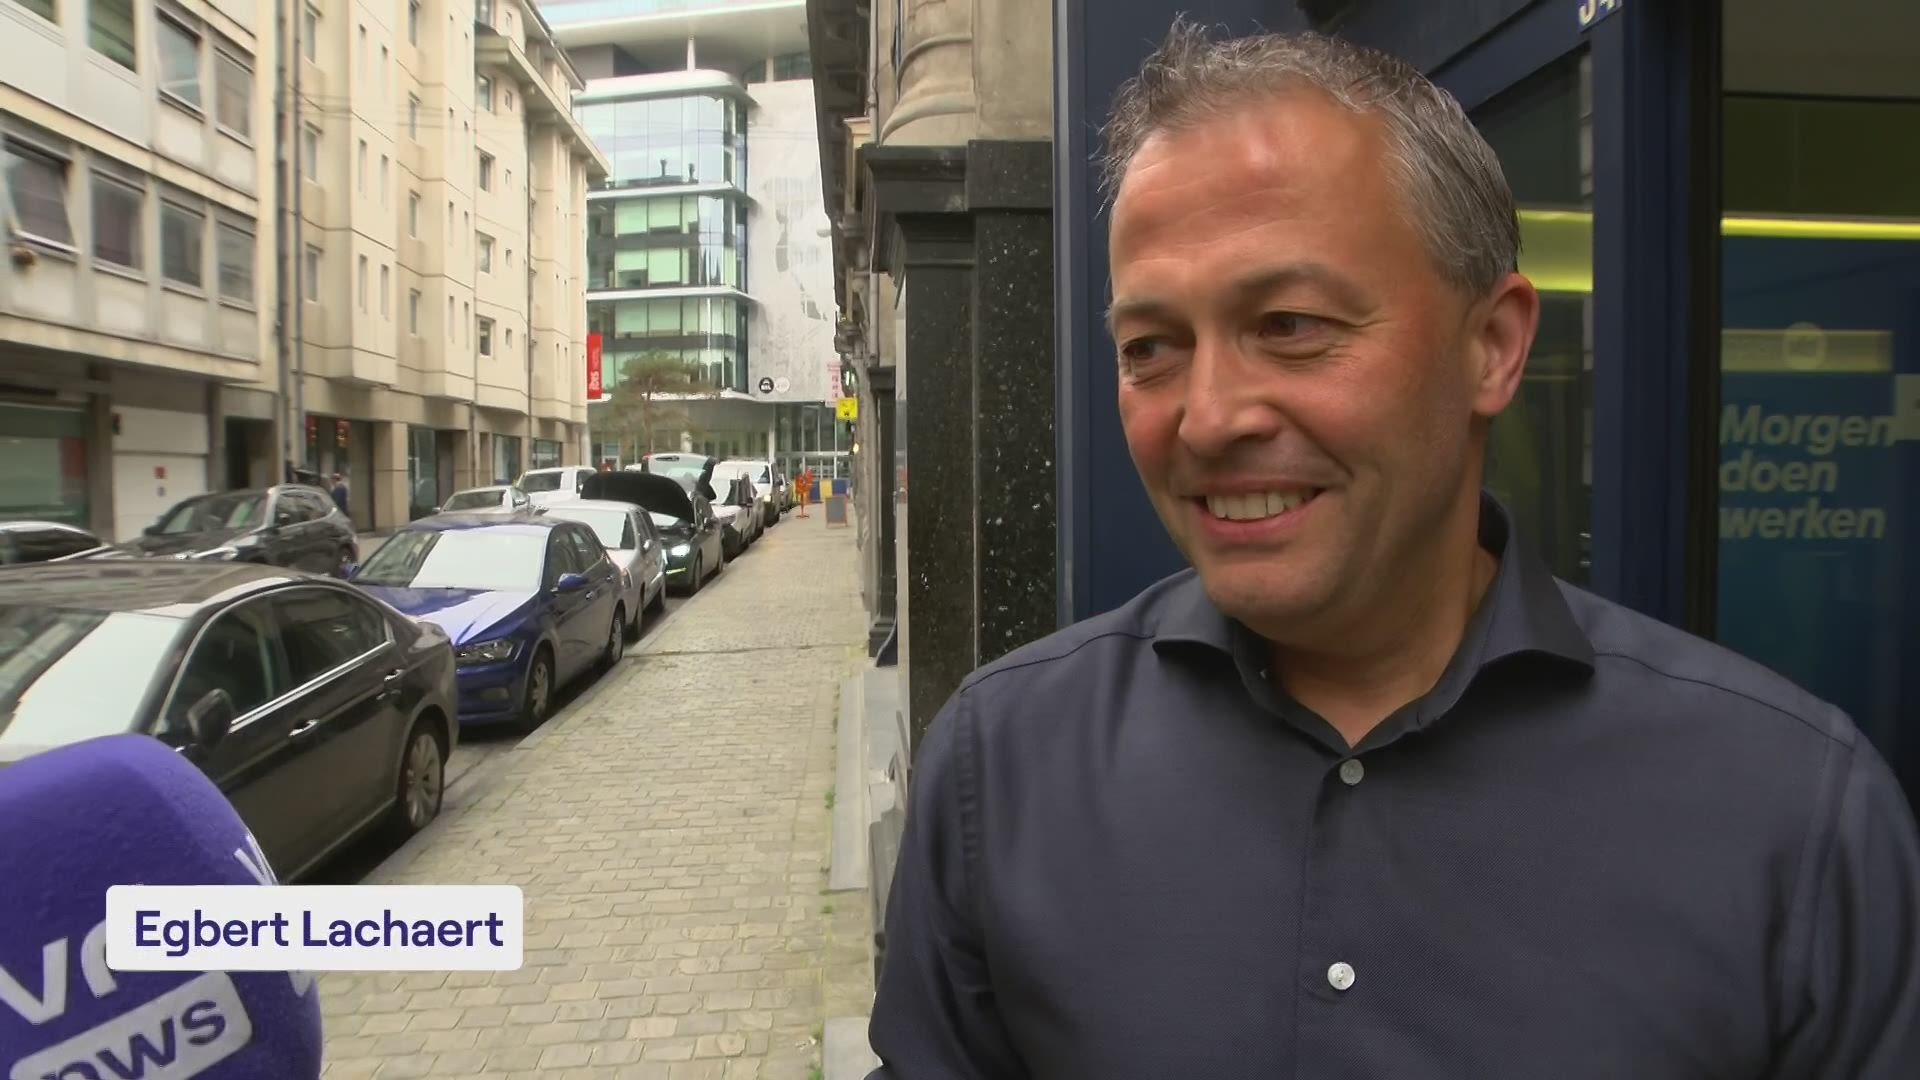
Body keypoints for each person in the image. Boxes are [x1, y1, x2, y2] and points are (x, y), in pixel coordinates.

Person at [865, 20, 1920, 1080]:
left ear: (1491, 348)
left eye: (1290, 325)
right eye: (1151, 347)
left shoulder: (1792, 818)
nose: (1209, 418)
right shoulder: (1002, 771)